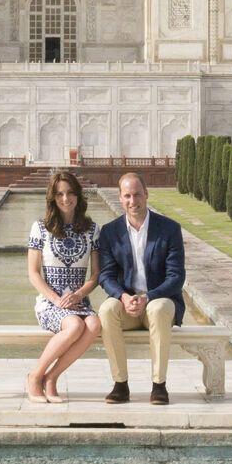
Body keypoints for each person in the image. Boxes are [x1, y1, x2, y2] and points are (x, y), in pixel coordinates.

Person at [95, 171, 186, 405]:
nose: (132, 201)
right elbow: (105, 276)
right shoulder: (110, 232)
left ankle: (159, 385)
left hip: (159, 300)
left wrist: (147, 297)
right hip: (128, 305)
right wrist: (123, 297)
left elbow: (176, 277)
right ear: (120, 197)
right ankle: (120, 384)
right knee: (106, 310)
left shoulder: (169, 229)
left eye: (137, 195)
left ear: (146, 194)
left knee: (157, 309)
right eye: (127, 196)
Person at [25, 169, 102, 402]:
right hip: (50, 303)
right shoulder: (40, 228)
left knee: (94, 323)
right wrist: (55, 299)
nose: (65, 199)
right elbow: (33, 273)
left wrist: (79, 295)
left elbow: (96, 274)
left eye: (70, 193)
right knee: (74, 327)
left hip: (79, 302)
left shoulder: (91, 230)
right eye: (59, 194)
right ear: (53, 198)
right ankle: (35, 376)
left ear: (78, 196)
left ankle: (51, 378)